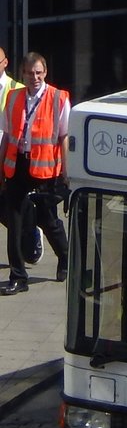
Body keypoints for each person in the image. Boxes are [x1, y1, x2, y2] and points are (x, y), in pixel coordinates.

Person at [0, 52, 70, 295]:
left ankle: (65, 256)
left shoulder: (58, 98)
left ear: (45, 73)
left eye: (38, 73)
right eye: (30, 73)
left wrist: (66, 173)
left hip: (45, 168)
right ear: (23, 73)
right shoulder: (14, 97)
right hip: (18, 165)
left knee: (48, 220)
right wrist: (1, 169)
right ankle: (18, 276)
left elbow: (63, 137)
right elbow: (7, 136)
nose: (34, 77)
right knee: (15, 222)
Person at [0, 47, 42, 266]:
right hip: (7, 158)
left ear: (5, 63)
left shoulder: (14, 89)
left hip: (17, 157)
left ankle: (30, 232)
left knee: (16, 206)